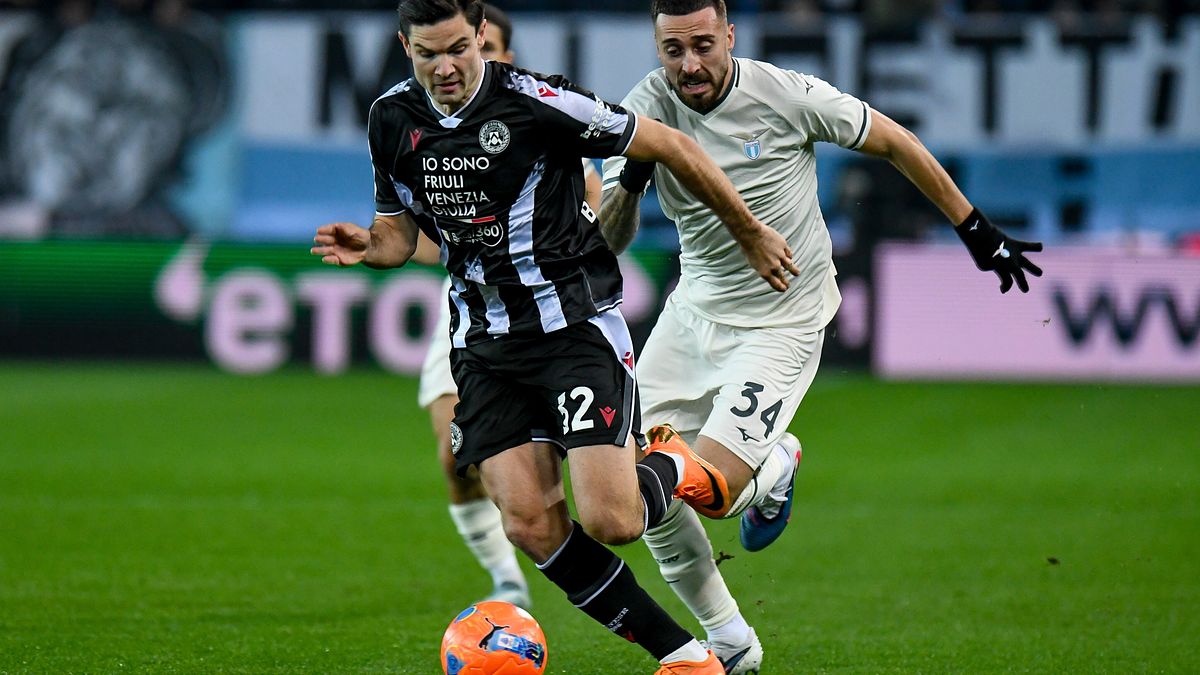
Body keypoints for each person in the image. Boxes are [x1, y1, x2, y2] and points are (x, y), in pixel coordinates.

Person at [311, 1, 800, 672]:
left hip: (573, 330)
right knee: (530, 523)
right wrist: (368, 244)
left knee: (614, 520)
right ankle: (686, 657)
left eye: (458, 48)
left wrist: (749, 231)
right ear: (405, 47)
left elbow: (673, 145)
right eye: (428, 54)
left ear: (480, 36)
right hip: (484, 345)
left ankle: (674, 461)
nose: (445, 66)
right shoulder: (391, 118)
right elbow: (397, 235)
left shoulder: (540, 102)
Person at [599, 1, 1044, 672]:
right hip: (691, 315)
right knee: (637, 487)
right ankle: (730, 640)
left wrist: (973, 228)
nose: (688, 65)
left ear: (729, 36)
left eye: (702, 45)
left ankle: (777, 465)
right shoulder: (642, 108)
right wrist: (633, 177)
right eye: (672, 50)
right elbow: (611, 239)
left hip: (783, 319)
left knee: (713, 490)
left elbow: (893, 140)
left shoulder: (782, 94)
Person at [410, 2, 604, 611]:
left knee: (589, 485)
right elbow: (413, 235)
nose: (455, 69)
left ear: (501, 56)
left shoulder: (537, 116)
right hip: (471, 315)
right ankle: (507, 580)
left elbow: (590, 191)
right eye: (437, 55)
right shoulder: (419, 128)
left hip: (555, 315)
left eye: (475, 51)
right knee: (454, 456)